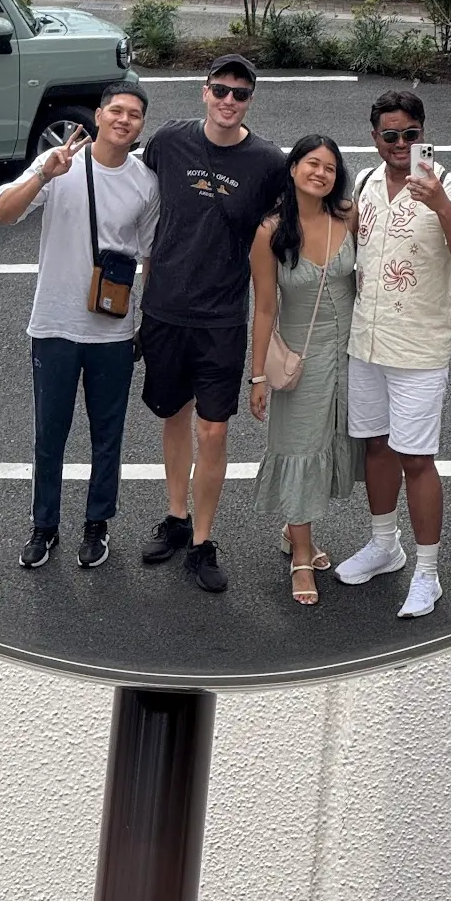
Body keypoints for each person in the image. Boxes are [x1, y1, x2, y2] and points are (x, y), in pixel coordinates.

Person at [0, 84, 159, 572]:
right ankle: (43, 526)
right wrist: (45, 172)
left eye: (134, 114)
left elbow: (150, 256)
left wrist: (145, 319)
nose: (124, 120)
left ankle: (96, 524)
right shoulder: (59, 162)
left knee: (108, 434)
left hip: (113, 330)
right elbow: (2, 213)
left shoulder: (145, 183)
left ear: (141, 125)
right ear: (99, 115)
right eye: (116, 111)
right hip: (54, 324)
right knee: (50, 434)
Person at [336, 90, 451, 619]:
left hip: (421, 347)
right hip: (366, 341)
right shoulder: (364, 183)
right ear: (374, 137)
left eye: (410, 134)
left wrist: (440, 206)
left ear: (424, 134)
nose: (401, 144)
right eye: (390, 135)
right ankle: (385, 545)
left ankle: (428, 572)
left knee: (417, 459)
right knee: (376, 447)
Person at [138, 56, 287, 592]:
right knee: (173, 415)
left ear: (251, 101)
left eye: (240, 94)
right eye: (220, 90)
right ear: (204, 92)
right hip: (164, 308)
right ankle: (176, 518)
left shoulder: (267, 161)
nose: (229, 101)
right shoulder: (168, 141)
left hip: (222, 317)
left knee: (214, 429)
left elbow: (295, 217)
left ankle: (203, 542)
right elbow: (135, 196)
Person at [248, 136, 363, 605]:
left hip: (350, 356)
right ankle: (300, 555)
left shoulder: (348, 216)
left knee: (335, 443)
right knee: (298, 448)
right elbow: (264, 309)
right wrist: (258, 375)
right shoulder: (270, 231)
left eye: (330, 168)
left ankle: (296, 532)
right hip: (300, 360)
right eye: (312, 164)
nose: (321, 173)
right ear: (293, 168)